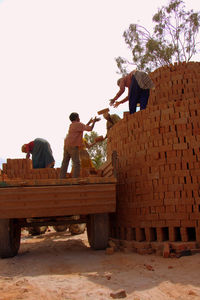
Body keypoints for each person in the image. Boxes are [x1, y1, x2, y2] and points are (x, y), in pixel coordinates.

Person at [60, 112, 100, 179]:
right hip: (73, 145)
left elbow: (82, 128)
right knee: (76, 163)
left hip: (66, 145)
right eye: (78, 117)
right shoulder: (78, 124)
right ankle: (75, 179)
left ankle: (61, 178)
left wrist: (90, 122)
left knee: (65, 162)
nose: (79, 118)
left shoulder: (72, 125)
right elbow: (90, 129)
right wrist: (94, 122)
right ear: (76, 118)